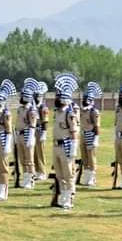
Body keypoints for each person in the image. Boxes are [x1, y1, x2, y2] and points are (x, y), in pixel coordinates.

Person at [52, 74, 80, 209]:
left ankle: (69, 198)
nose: (56, 99)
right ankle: (63, 196)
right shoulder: (57, 112)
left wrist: (73, 149)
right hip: (56, 146)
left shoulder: (70, 114)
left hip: (66, 146)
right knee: (59, 174)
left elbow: (74, 132)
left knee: (68, 174)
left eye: (58, 97)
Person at [16, 79, 40, 189]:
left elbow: (32, 124)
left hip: (27, 135)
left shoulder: (31, 110)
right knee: (22, 158)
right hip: (19, 134)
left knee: (29, 159)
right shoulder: (21, 109)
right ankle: (25, 177)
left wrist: (30, 137)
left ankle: (30, 179)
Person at [78, 83, 103, 186]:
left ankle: (92, 177)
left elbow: (97, 126)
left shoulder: (94, 112)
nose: (84, 100)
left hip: (90, 134)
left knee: (91, 157)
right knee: (84, 157)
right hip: (83, 134)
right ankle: (86, 175)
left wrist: (96, 138)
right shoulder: (82, 110)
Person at [34, 81, 50, 181]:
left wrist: (44, 133)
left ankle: (42, 171)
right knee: (34, 153)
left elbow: (45, 121)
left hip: (40, 130)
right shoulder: (33, 106)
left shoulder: (43, 107)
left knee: (40, 152)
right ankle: (36, 170)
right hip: (33, 130)